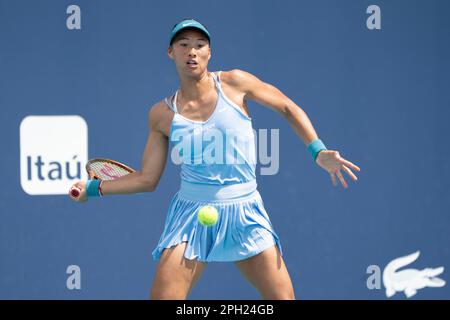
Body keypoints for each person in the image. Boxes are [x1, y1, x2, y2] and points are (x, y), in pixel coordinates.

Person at [69, 19, 361, 300]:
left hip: (245, 211)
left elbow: (287, 107)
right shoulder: (160, 114)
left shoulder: (235, 83)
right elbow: (147, 179)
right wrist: (92, 189)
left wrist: (318, 151)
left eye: (199, 45)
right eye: (183, 45)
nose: (192, 51)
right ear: (171, 53)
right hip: (191, 216)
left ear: (209, 52)